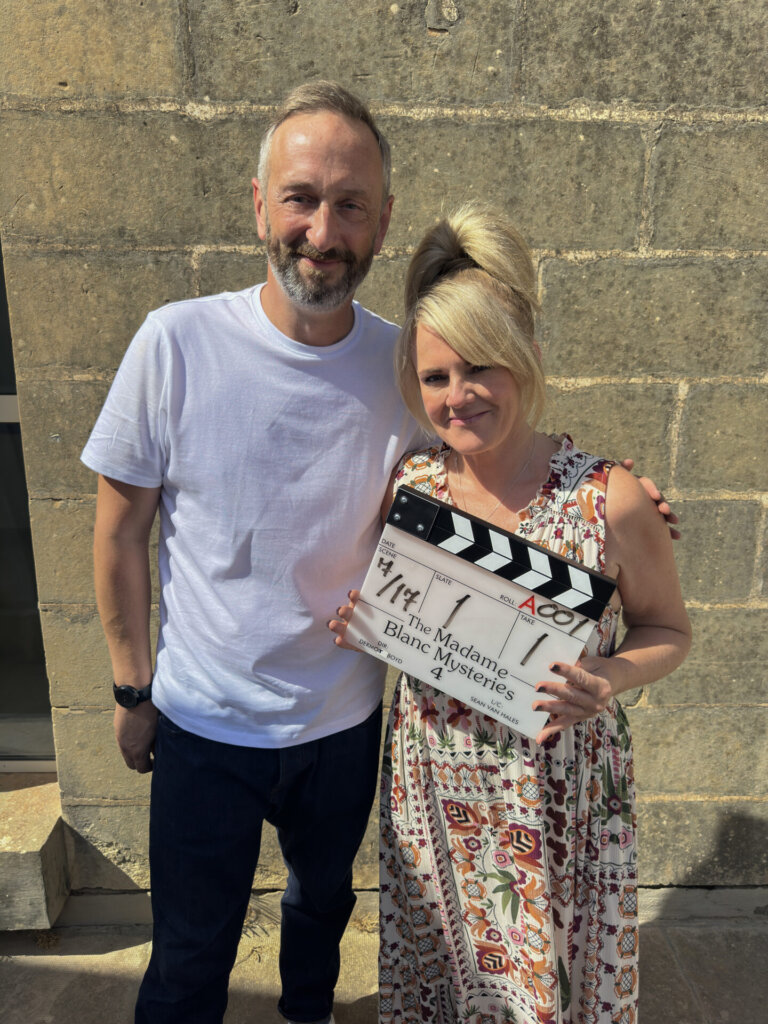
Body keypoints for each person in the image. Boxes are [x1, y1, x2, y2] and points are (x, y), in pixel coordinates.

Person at [81, 81, 416, 1024]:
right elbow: (118, 531)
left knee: (321, 918)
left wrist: (609, 496)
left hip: (343, 725)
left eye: (350, 205)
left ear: (383, 222)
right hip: (202, 726)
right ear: (258, 203)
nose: (323, 229)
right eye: (302, 197)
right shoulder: (175, 343)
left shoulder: (406, 370)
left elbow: (492, 472)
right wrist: (130, 687)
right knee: (189, 957)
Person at [329, 205, 691, 1023]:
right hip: (434, 780)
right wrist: (371, 619)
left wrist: (608, 675)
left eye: (481, 367)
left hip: (558, 786)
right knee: (444, 974)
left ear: (523, 358)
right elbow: (401, 616)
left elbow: (670, 630)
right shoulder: (412, 487)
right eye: (434, 377)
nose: (458, 397)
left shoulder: (609, 498)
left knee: (546, 986)